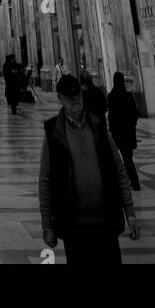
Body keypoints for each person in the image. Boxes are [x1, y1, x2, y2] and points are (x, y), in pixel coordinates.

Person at [39, 72, 140, 265]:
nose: (75, 98)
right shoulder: (53, 133)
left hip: (105, 220)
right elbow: (46, 179)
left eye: (77, 93)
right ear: (60, 98)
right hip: (74, 226)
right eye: (69, 95)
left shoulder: (98, 127)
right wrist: (47, 224)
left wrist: (130, 213)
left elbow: (118, 169)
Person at [107, 71, 140, 191]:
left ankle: (124, 181)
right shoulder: (129, 96)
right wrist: (132, 125)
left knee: (116, 158)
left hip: (117, 132)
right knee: (128, 157)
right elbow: (135, 114)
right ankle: (134, 181)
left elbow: (111, 115)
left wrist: (112, 127)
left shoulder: (111, 96)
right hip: (128, 131)